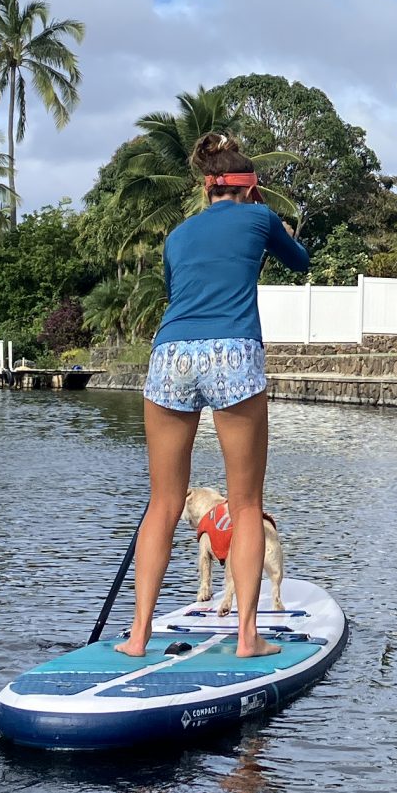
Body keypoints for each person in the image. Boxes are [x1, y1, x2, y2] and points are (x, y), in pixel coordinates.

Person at [114, 132, 309, 660]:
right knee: (245, 505)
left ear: (206, 189)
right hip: (232, 353)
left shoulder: (177, 235)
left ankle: (137, 636)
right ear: (251, 188)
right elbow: (301, 261)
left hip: (171, 352)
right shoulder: (261, 218)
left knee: (163, 503)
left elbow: (180, 293)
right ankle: (248, 636)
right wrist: (267, 217)